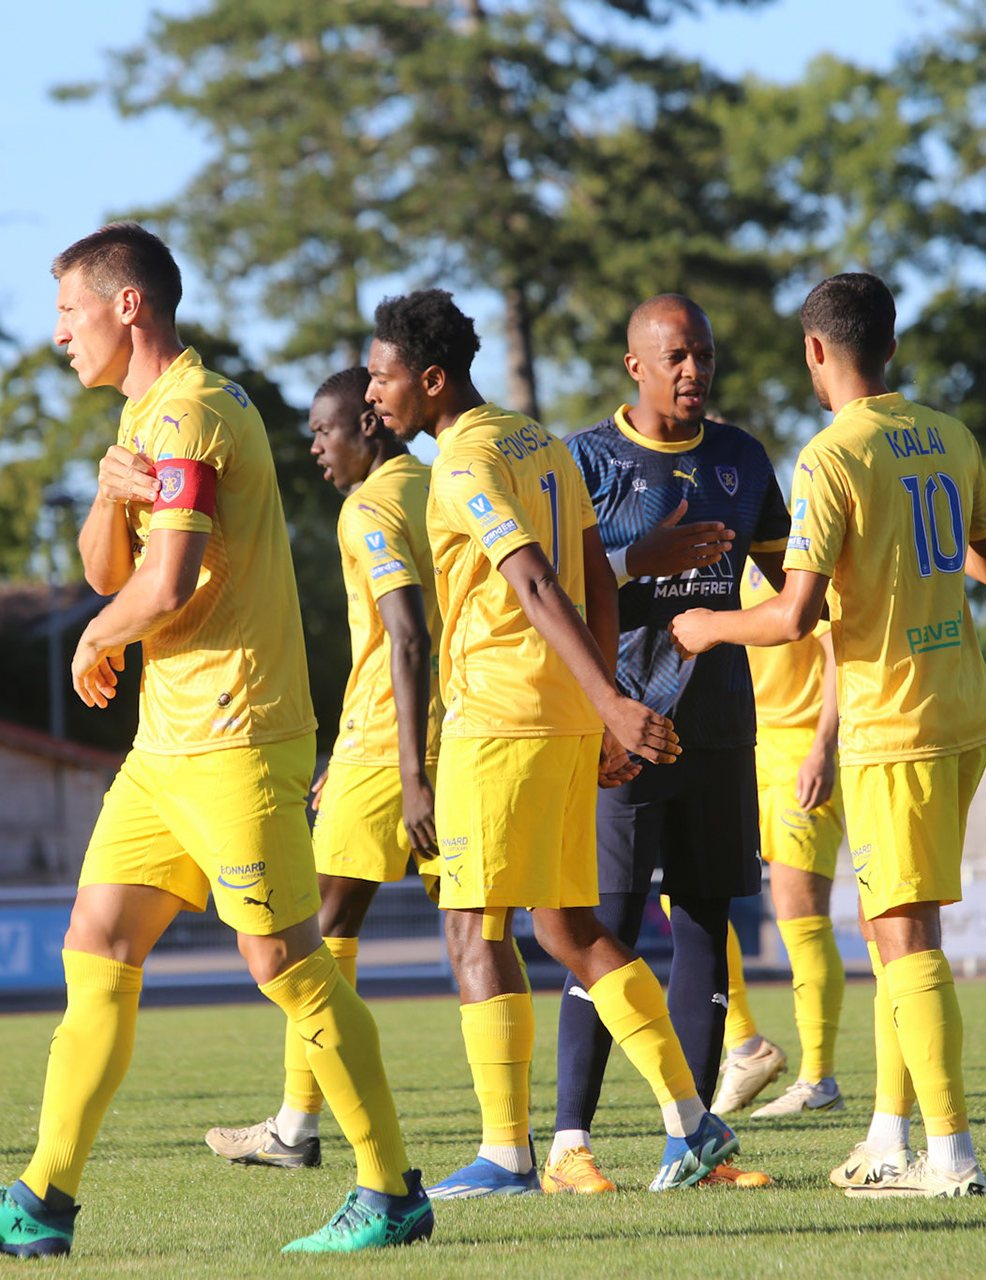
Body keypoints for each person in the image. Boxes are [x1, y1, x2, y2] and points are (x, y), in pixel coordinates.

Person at [0, 224, 429, 1256]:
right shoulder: (145, 417)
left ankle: (392, 1191)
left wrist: (96, 637)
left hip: (236, 732)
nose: (60, 332)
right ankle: (40, 1202)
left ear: (127, 305)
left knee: (285, 960)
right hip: (165, 745)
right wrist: (108, 495)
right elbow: (109, 572)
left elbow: (170, 580)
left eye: (70, 310)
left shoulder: (196, 408)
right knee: (96, 941)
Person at [366, 287, 739, 1198]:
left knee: (471, 926)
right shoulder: (537, 440)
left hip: (501, 722)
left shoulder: (464, 462)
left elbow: (536, 584)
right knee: (570, 928)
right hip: (563, 721)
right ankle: (691, 1122)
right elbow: (596, 581)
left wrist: (612, 704)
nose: (372, 393)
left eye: (382, 377)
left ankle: (506, 1154)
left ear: (431, 379)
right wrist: (601, 704)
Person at [671, 272, 986, 1198]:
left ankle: (951, 1157)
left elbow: (795, 615)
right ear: (889, 345)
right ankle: (887, 1137)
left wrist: (705, 627)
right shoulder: (951, 436)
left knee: (904, 937)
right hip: (962, 708)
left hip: (893, 721)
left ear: (816, 351)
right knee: (891, 925)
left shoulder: (830, 456)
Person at [542, 295, 789, 1194]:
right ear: (635, 366)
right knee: (602, 928)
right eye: (677, 356)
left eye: (705, 355)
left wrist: (728, 625)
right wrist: (638, 561)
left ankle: (691, 1147)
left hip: (717, 727)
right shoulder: (583, 461)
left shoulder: (743, 460)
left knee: (704, 926)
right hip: (618, 732)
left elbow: (792, 590)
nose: (695, 371)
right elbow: (546, 593)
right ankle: (568, 1147)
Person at [202, 366, 443, 1169]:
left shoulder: (369, 508)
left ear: (367, 427)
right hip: (461, 730)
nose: (315, 448)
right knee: (490, 934)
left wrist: (383, 762)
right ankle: (521, 1141)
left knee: (315, 936)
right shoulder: (438, 488)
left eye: (323, 431)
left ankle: (295, 1128)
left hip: (385, 745)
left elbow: (403, 636)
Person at [715, 558, 848, 1121]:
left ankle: (819, 1078)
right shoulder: (711, 544)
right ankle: (745, 1046)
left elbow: (838, 649)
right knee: (686, 892)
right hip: (736, 745)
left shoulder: (798, 543)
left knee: (799, 913)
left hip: (799, 751)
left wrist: (823, 748)